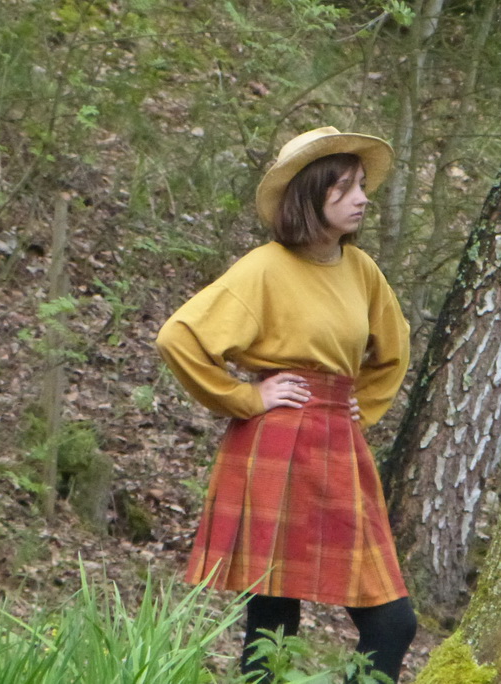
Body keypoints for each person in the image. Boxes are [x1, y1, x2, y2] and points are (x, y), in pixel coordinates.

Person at [156, 126, 417, 682]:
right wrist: (245, 396)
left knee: (394, 622)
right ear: (310, 193)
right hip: (277, 439)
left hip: (340, 445)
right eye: (346, 187)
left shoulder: (362, 270)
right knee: (273, 617)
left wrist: (362, 405)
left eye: (362, 185)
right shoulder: (264, 267)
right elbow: (178, 337)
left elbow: (394, 349)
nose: (362, 198)